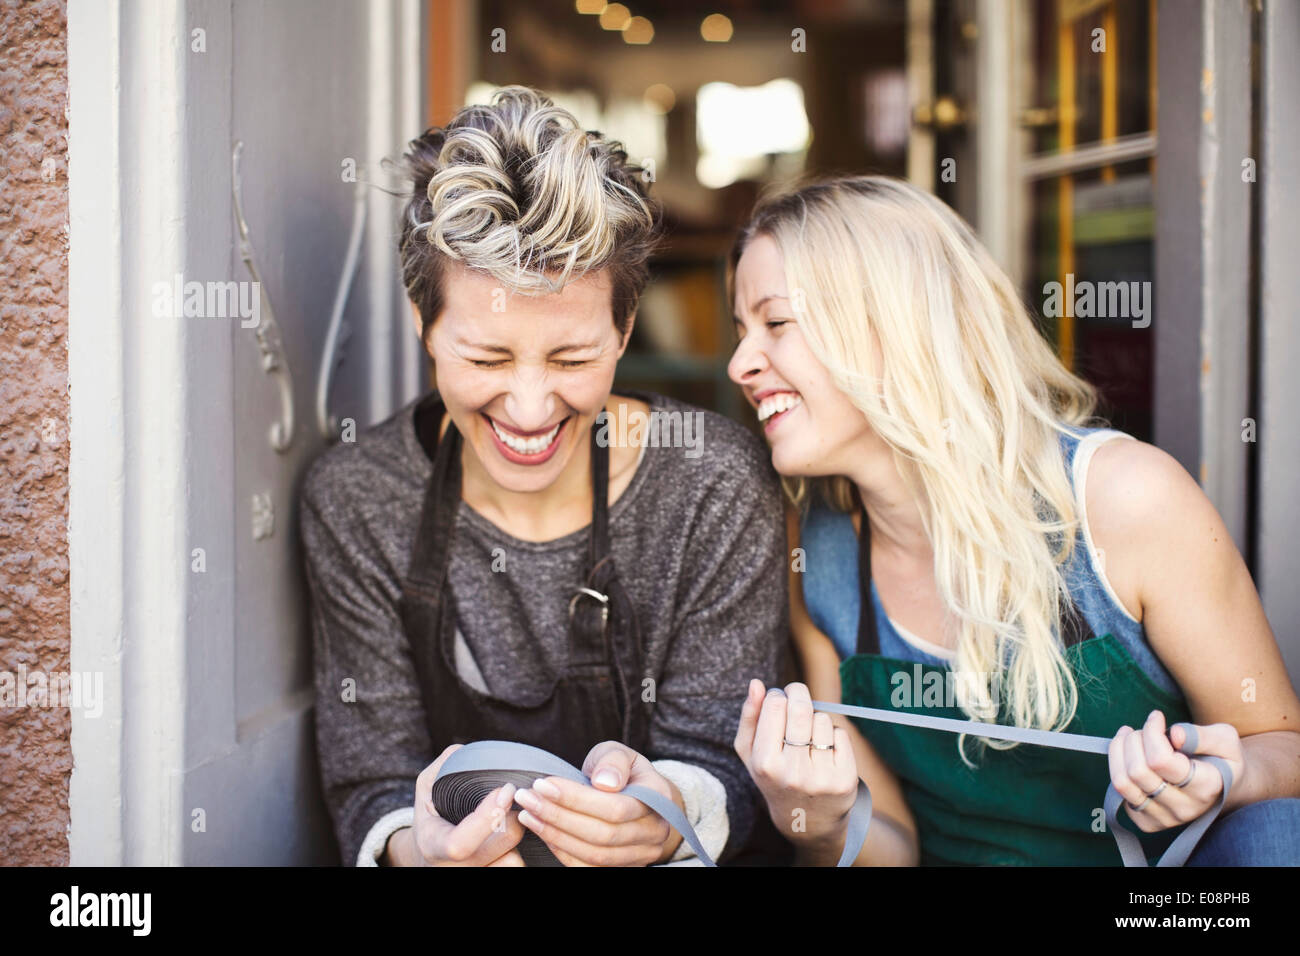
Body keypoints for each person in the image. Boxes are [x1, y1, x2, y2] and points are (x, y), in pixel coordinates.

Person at [727, 174, 1300, 865]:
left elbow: (1282, 748)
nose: (739, 363)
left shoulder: (1124, 501)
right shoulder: (817, 555)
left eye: (776, 323)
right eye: (741, 330)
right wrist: (820, 821)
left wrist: (1221, 777)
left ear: (896, 322)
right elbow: (894, 849)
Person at [299, 86, 786, 867]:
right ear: (424, 325)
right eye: (487, 358)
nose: (528, 409)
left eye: (572, 358)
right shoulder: (358, 500)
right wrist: (427, 854)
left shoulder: (711, 484)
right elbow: (372, 789)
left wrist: (663, 818)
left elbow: (725, 764)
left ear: (625, 330)